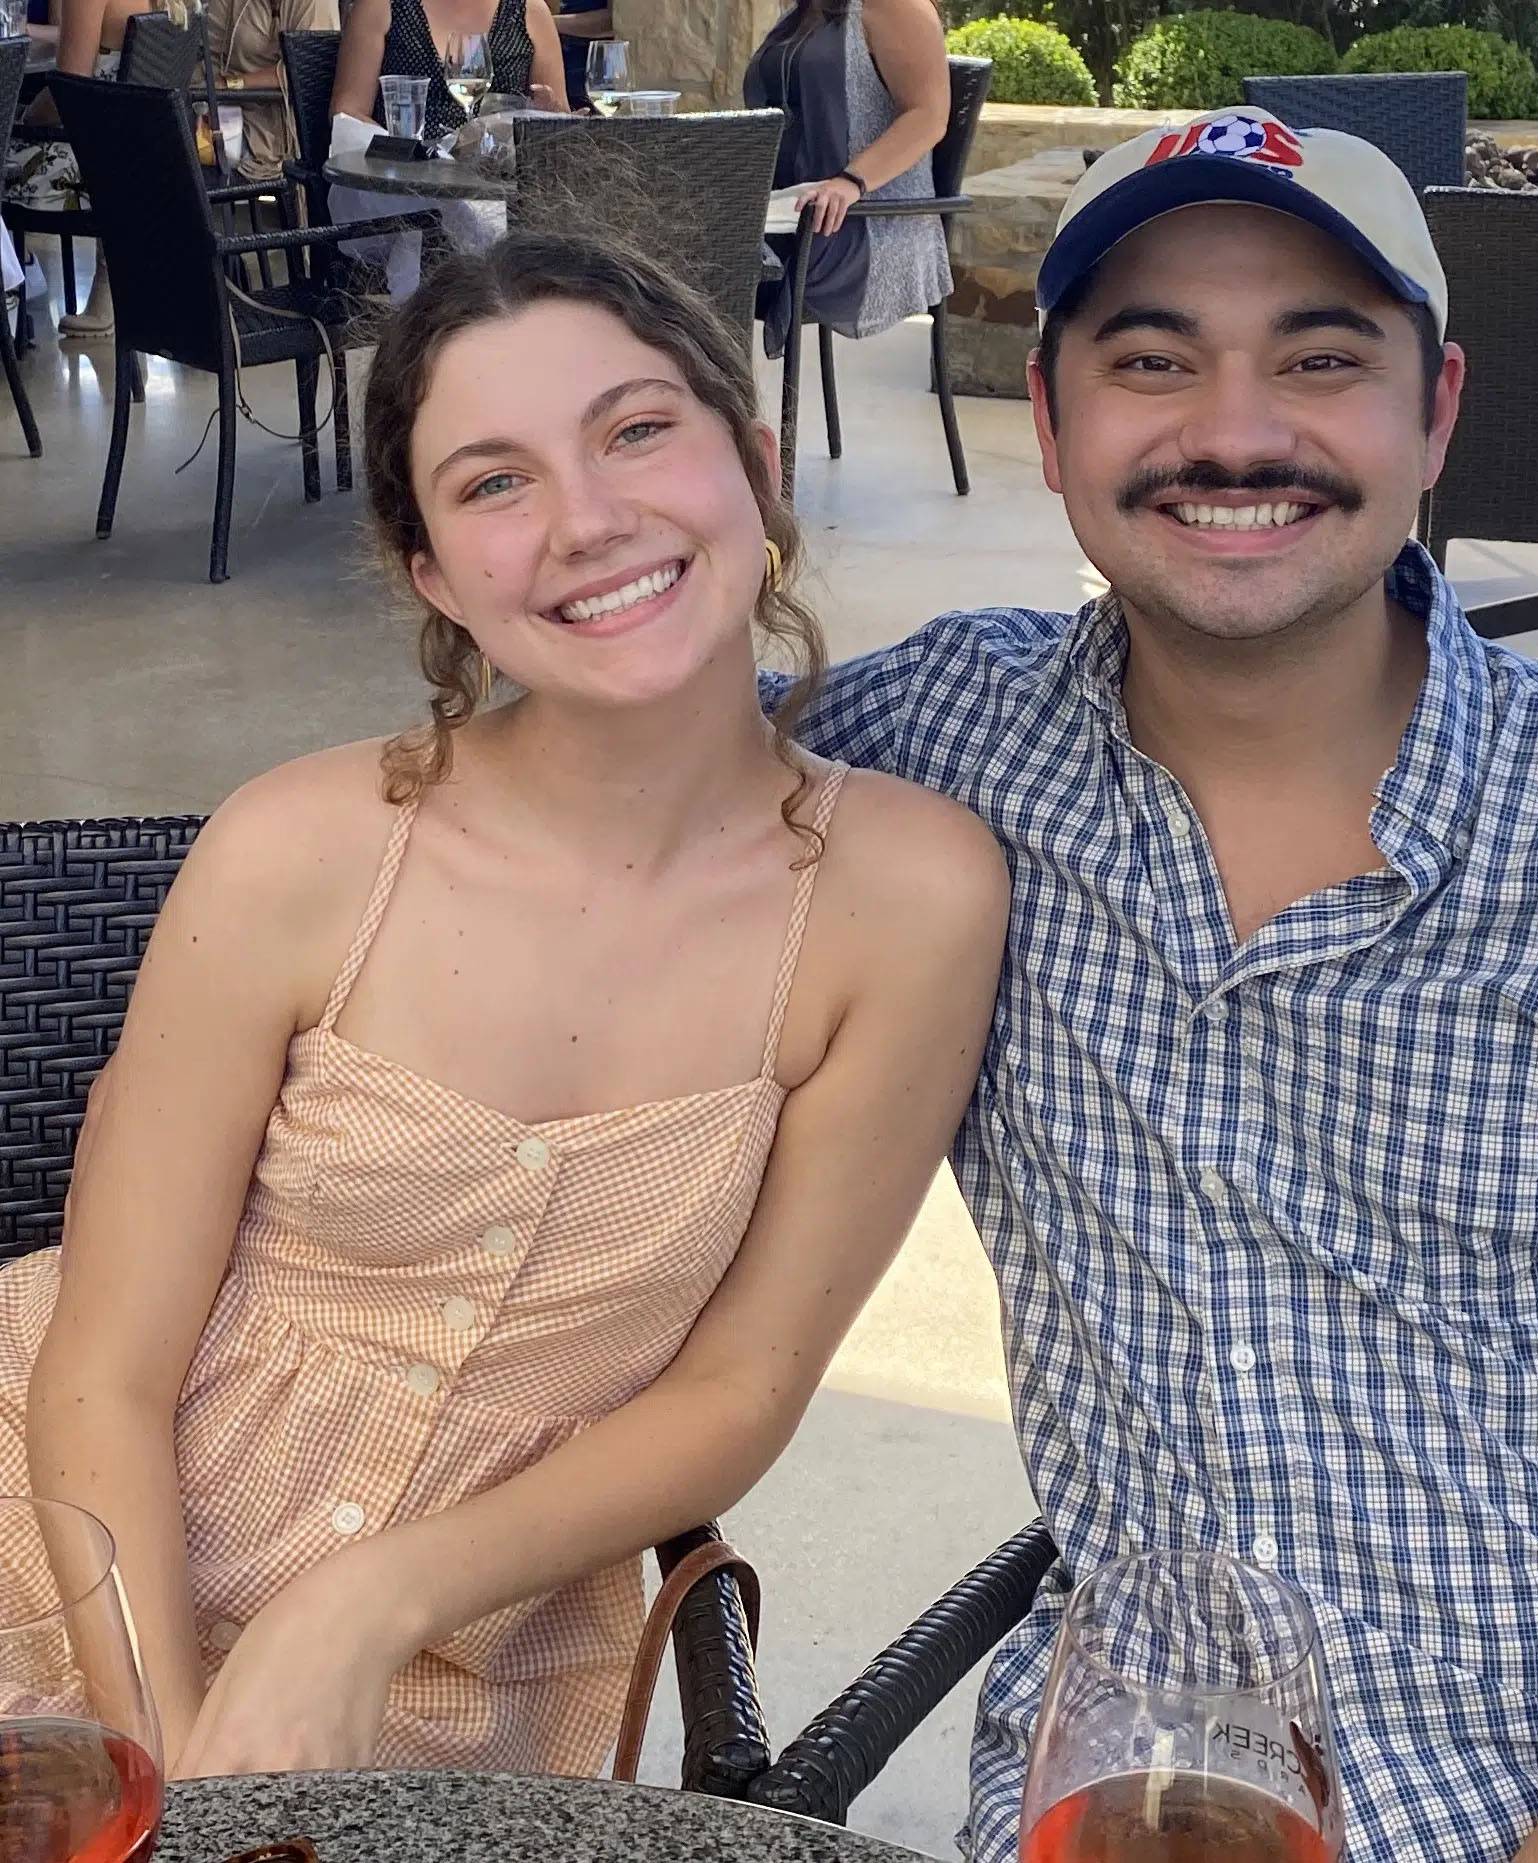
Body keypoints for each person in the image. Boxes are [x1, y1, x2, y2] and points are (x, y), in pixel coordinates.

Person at [777, 108, 1538, 1863]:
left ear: (1433, 413)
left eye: (1320, 359)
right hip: (1155, 1757)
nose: (1232, 432)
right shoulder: (931, 748)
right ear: (1045, 423)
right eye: (1150, 359)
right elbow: (617, 771)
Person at [0, 230, 1006, 1777]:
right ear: (432, 576)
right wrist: (171, 1767)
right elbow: (102, 1367)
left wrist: (368, 1598)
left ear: (757, 461)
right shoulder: (300, 852)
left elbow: (740, 1385)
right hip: (73, 1554)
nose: (587, 521)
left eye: (635, 431)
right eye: (493, 482)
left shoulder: (904, 898)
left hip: (464, 1657)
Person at [743, 0, 950, 360]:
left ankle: (717, 406)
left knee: (702, 259)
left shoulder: (895, 6)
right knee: (673, 243)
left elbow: (929, 115)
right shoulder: (804, 9)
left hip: (859, 225)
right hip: (787, 212)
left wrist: (851, 182)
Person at [3, 0, 187, 335]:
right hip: (150, 159)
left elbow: (67, 91)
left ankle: (8, 309)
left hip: (93, 165)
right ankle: (113, 289)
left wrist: (22, 118)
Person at [330, 0, 567, 136]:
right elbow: (346, 112)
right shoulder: (383, 6)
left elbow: (559, 117)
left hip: (502, 187)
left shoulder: (530, 12)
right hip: (404, 185)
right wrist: (411, 156)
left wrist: (551, 114)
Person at [203, 0, 339, 185]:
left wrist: (231, 84)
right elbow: (204, 50)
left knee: (174, 169)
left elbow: (308, 69)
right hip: (210, 112)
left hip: (264, 133)